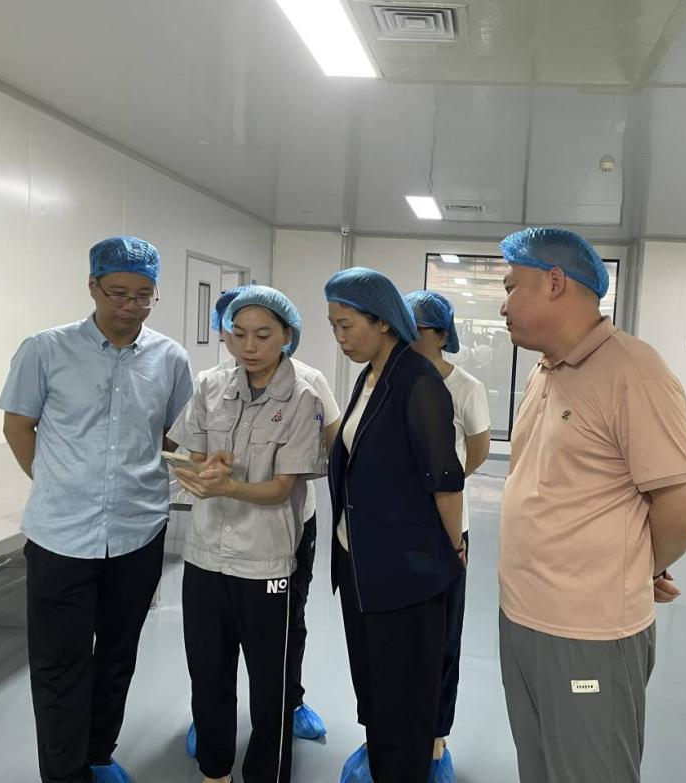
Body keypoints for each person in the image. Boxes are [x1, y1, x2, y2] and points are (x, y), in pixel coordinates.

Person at [497, 227, 686, 783]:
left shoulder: (635, 373)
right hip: (523, 616)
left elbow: (682, 504)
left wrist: (640, 566)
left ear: (555, 283)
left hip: (589, 631)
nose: (503, 304)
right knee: (539, 765)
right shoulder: (545, 370)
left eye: (512, 286)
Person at [0, 236, 193, 783]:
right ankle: (64, 773)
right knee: (59, 663)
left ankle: (99, 753)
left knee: (117, 654)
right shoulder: (45, 349)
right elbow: (18, 427)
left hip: (138, 529)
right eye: (117, 293)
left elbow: (175, 435)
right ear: (92, 286)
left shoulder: (170, 358)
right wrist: (57, 481)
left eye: (143, 295)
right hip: (60, 534)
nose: (130, 306)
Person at [168, 286, 327, 783]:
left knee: (269, 682)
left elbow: (281, 488)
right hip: (205, 555)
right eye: (238, 334)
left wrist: (228, 486)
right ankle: (214, 769)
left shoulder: (303, 396)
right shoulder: (210, 385)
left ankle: (266, 773)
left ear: (287, 335)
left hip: (266, 560)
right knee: (208, 671)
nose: (249, 346)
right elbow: (191, 454)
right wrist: (202, 469)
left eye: (262, 335)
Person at [325, 268, 465, 783]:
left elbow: (445, 479)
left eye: (346, 326)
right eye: (333, 327)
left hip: (406, 571)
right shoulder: (370, 376)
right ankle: (382, 763)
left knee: (404, 696)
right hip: (362, 561)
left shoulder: (418, 381)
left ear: (382, 321)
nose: (339, 338)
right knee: (375, 684)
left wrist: (454, 546)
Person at [405, 290, 491, 783]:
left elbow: (476, 452)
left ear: (441, 335)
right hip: (395, 528)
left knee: (442, 636)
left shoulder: (465, 388)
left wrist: (441, 485)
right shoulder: (388, 379)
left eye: (417, 329)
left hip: (446, 527)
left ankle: (437, 734)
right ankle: (388, 729)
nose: (406, 337)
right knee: (395, 636)